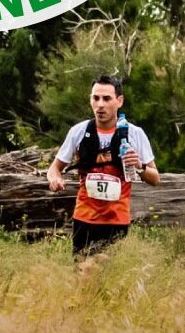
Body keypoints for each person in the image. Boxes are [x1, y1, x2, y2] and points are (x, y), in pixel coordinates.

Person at [47, 75, 160, 258]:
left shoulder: (134, 134)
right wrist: (55, 179)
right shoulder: (79, 131)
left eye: (107, 99)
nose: (100, 104)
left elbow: (155, 179)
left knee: (112, 272)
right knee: (82, 271)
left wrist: (139, 165)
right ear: (90, 99)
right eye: (96, 98)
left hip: (117, 219)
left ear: (119, 101)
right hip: (84, 217)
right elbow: (54, 168)